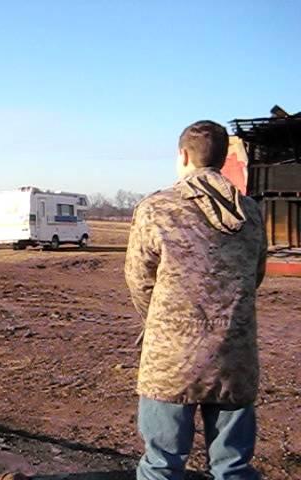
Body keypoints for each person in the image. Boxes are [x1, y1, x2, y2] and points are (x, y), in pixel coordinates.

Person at [125, 120, 267, 480]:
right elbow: (255, 276)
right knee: (234, 467)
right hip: (234, 359)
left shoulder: (156, 208)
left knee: (161, 465)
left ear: (183, 155)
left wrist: (160, 321)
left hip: (170, 361)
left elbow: (140, 280)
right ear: (222, 159)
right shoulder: (251, 213)